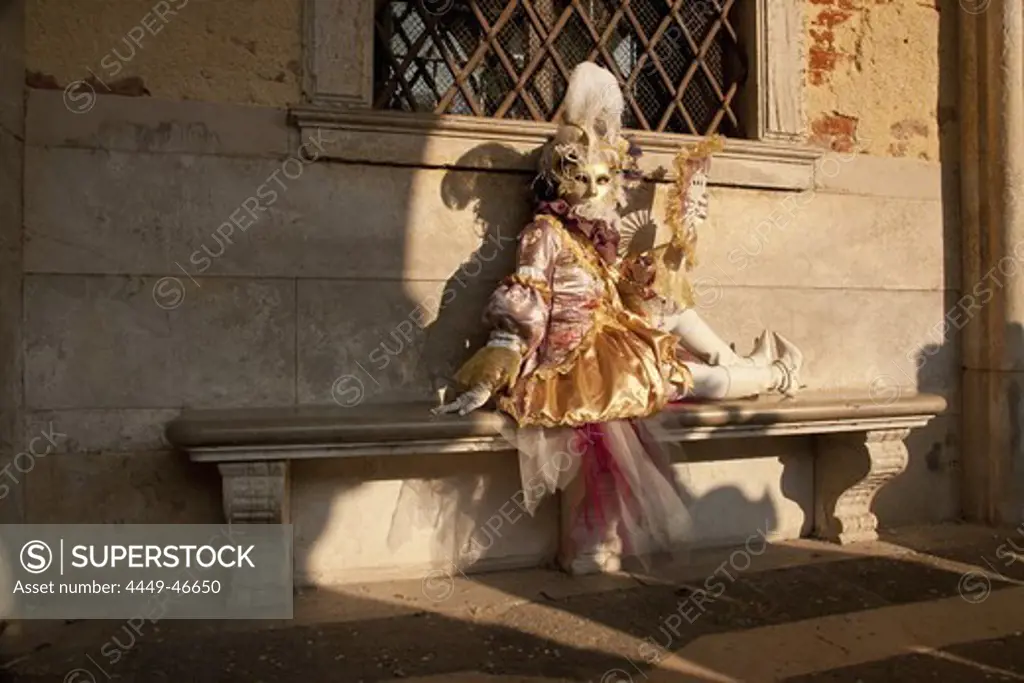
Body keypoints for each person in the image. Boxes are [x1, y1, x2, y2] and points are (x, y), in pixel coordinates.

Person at [427, 62, 803, 564]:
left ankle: (755, 368)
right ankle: (772, 373)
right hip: (574, 367)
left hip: (610, 342)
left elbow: (617, 295)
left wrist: (645, 271)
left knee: (670, 321)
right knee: (682, 379)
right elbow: (530, 299)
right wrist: (497, 362)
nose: (588, 189)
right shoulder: (544, 233)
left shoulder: (590, 240)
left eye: (600, 179)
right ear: (557, 180)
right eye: (577, 177)